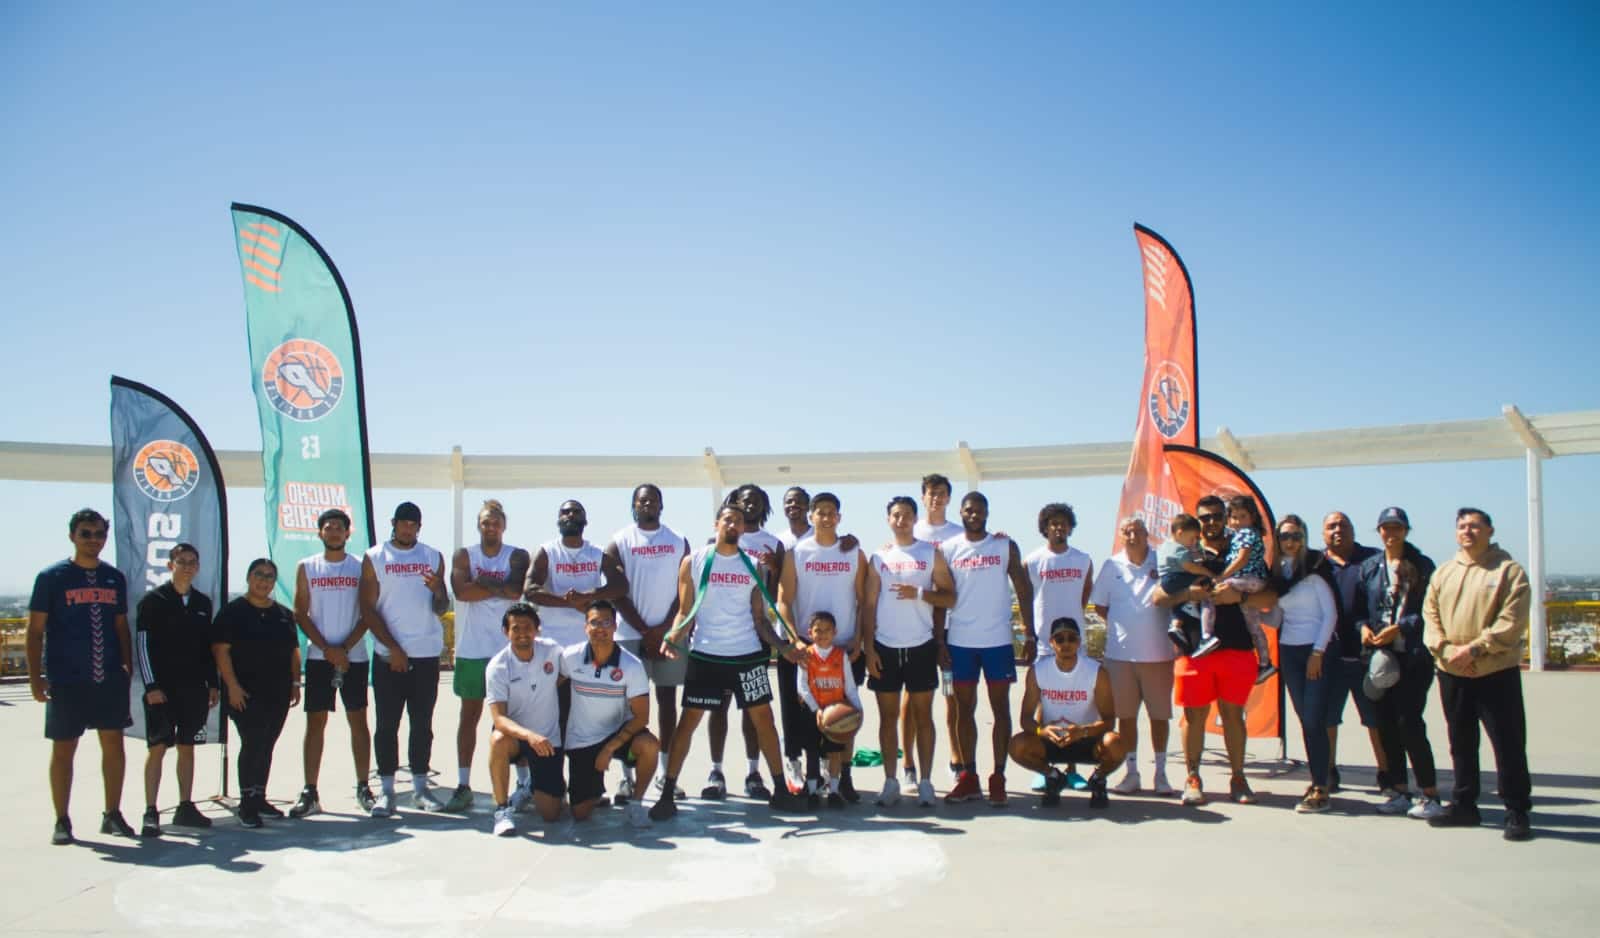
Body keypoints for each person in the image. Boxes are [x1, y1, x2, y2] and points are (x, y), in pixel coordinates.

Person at [648, 504, 810, 820]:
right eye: (728, 519)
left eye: (738, 520)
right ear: (717, 523)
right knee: (688, 722)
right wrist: (672, 637)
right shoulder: (693, 561)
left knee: (764, 721)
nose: (734, 524)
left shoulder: (752, 565)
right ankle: (667, 793)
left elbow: (761, 619)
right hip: (706, 654)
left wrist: (784, 647)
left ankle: (779, 789)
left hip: (747, 655)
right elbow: (685, 611)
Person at [1153, 494, 1274, 806]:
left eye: (1216, 516)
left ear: (1226, 517)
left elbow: (1270, 598)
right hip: (1195, 651)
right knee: (1193, 717)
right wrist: (1187, 593)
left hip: (1237, 648)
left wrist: (1240, 599)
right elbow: (1157, 598)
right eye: (1204, 517)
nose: (1211, 522)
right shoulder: (1187, 553)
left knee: (1234, 716)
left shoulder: (1244, 550)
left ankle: (1238, 777)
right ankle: (1193, 777)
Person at [1422, 508, 1533, 841]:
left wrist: (1474, 649)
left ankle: (1516, 809)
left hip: (1494, 671)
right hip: (1452, 671)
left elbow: (1511, 621)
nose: (1467, 531)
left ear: (1489, 530)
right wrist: (1445, 650)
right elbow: (1431, 616)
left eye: (1474, 526)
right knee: (1461, 741)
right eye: (1461, 526)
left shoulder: (1508, 571)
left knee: (1508, 741)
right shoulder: (1444, 573)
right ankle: (1465, 804)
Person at [29, 509, 137, 844]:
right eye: (86, 533)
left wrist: (127, 666)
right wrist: (36, 678)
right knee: (64, 749)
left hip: (108, 678)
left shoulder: (113, 578)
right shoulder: (51, 577)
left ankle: (112, 814)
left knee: (114, 745)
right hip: (66, 678)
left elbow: (121, 627)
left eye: (99, 534)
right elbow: (35, 631)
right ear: (72, 536)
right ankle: (62, 819)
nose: (93, 540)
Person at [940, 491, 1034, 806]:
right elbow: (941, 595)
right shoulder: (949, 548)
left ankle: (998, 776)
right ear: (962, 512)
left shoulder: (1005, 545)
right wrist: (940, 640)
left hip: (997, 641)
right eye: (969, 510)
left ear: (987, 512)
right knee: (963, 711)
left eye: (980, 510)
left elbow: (1023, 588)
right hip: (961, 641)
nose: (974, 514)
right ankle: (968, 777)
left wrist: (1030, 633)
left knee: (1000, 709)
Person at [862, 495, 956, 807]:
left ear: (915, 519)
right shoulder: (879, 557)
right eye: (895, 515)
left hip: (921, 646)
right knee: (887, 718)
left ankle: (926, 782)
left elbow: (949, 597)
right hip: (886, 647)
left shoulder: (930, 554)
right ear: (888, 520)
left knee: (923, 716)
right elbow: (870, 604)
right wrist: (868, 647)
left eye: (906, 515)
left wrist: (918, 593)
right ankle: (891, 781)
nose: (901, 520)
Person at [360, 501, 451, 817]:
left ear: (419, 527)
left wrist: (439, 589)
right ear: (394, 523)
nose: (408, 528)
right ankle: (387, 792)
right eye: (403, 523)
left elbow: (440, 607)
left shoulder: (432, 556)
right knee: (386, 724)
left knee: (422, 724)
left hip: (425, 654)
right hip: (389, 656)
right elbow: (368, 609)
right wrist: (393, 648)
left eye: (413, 524)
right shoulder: (375, 557)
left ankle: (421, 788)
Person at [776, 492, 868, 801]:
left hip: (844, 649)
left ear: (839, 518)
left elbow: (864, 600)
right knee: (813, 720)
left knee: (846, 717)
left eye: (832, 512)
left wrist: (860, 639)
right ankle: (815, 780)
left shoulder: (854, 552)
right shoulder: (797, 553)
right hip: (809, 652)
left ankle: (844, 779)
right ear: (811, 516)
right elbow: (784, 601)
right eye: (821, 512)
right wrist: (793, 640)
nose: (826, 517)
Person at [1354, 507, 1444, 820]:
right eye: (1385, 528)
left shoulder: (1422, 565)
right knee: (1386, 724)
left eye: (1397, 528)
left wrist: (1402, 627)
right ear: (1378, 531)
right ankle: (1398, 790)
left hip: (1412, 658)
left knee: (1410, 724)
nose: (1391, 534)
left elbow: (1431, 612)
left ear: (1406, 531)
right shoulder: (1370, 567)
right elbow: (1357, 611)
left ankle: (1430, 793)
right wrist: (1363, 629)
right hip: (1379, 659)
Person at [606, 483, 690, 802]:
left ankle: (666, 775)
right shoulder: (619, 541)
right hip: (629, 635)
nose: (648, 504)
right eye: (642, 500)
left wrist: (665, 628)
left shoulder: (678, 541)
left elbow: (685, 591)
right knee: (627, 707)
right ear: (634, 505)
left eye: (653, 500)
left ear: (661, 505)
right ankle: (626, 778)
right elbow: (616, 592)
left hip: (670, 635)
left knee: (667, 702)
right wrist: (645, 630)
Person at [290, 508, 375, 818]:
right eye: (329, 528)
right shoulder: (307, 566)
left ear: (347, 533)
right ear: (320, 533)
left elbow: (368, 611)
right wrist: (328, 649)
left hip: (354, 656)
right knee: (315, 725)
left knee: (358, 721)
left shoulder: (360, 566)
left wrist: (345, 648)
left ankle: (364, 787)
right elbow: (300, 612)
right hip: (318, 657)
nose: (335, 532)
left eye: (340, 527)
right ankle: (310, 791)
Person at [446, 499, 530, 814]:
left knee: (513, 719)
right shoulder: (464, 555)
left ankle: (524, 784)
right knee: (469, 717)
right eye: (484, 522)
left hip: (507, 652)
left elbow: (514, 591)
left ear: (503, 526)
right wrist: (498, 585)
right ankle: (464, 784)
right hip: (471, 651)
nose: (490, 527)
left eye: (495, 522)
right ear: (478, 526)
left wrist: (481, 582)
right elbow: (462, 592)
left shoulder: (517, 555)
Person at [703, 483, 782, 800]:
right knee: (717, 706)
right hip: (719, 638)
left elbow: (776, 596)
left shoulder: (772, 543)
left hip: (755, 636)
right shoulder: (715, 541)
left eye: (756, 502)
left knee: (754, 709)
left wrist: (774, 571)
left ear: (764, 508)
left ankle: (753, 772)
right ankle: (716, 770)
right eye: (744, 501)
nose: (750, 506)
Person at [133, 542, 218, 837]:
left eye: (192, 562)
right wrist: (151, 686)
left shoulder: (202, 603)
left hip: (194, 689)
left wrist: (213, 683)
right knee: (157, 748)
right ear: (170, 565)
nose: (187, 566)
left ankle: (185, 806)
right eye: (181, 561)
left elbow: (208, 647)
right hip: (162, 690)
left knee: (188, 746)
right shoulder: (152, 601)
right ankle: (150, 811)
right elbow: (142, 646)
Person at [1089, 516, 1177, 797]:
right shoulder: (1111, 565)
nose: (1132, 536)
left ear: (1146, 534)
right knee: (1126, 718)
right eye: (1127, 532)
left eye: (1137, 531)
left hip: (1159, 655)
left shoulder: (1161, 562)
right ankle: (1131, 773)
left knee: (1159, 717)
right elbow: (1100, 607)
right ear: (1121, 535)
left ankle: (1161, 774)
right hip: (1120, 657)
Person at [212, 558, 302, 828]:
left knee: (267, 744)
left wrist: (296, 684)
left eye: (269, 576)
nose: (264, 580)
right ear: (249, 577)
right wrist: (233, 687)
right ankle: (247, 803)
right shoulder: (232, 612)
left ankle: (260, 797)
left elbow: (293, 652)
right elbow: (220, 651)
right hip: (245, 693)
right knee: (251, 743)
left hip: (277, 692)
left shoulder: (284, 614)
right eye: (259, 575)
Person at [1008, 617, 1124, 809]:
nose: (1066, 644)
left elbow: (1110, 721)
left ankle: (1098, 779)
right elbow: (1025, 718)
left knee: (1116, 743)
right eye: (1060, 639)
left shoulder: (1096, 672)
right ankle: (1053, 777)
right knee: (1016, 746)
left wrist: (1082, 731)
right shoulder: (1038, 671)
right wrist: (1041, 731)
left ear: (1079, 642)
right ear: (1051, 643)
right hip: (1052, 740)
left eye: (1071, 638)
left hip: (1086, 739)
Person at [559, 601, 657, 828]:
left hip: (617, 735)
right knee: (580, 814)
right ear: (585, 627)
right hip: (581, 739)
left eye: (606, 622)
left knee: (649, 745)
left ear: (615, 627)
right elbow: (551, 688)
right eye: (594, 622)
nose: (600, 628)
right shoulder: (570, 657)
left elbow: (642, 717)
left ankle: (636, 803)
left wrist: (608, 749)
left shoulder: (632, 666)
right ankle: (594, 791)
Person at [1267, 515, 1339, 813]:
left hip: (1315, 651)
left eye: (1296, 535)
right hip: (1289, 651)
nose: (1291, 542)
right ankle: (1317, 779)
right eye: (1285, 536)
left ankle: (1322, 786)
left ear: (1304, 537)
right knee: (1305, 720)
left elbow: (1330, 615)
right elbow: (1277, 617)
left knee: (1314, 720)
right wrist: (1246, 610)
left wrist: (1318, 653)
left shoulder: (1315, 568)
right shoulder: (1278, 572)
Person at [1023, 502, 1094, 792]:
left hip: (1073, 643)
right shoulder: (1032, 560)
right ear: (1045, 528)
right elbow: (1027, 598)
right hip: (1044, 643)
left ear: (1070, 527)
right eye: (1053, 523)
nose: (1058, 527)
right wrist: (1030, 636)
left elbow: (1084, 595)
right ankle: (1046, 767)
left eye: (1063, 523)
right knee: (1045, 705)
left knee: (1074, 704)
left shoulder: (1083, 560)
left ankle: (1073, 769)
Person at [1318, 511, 1387, 797]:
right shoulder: (1316, 564)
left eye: (1343, 525)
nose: (1338, 530)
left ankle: (1387, 772)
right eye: (1331, 526)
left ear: (1354, 530)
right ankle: (1329, 771)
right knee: (1328, 719)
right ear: (1323, 534)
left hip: (1366, 656)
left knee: (1377, 719)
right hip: (1329, 656)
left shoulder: (1373, 560)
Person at [485, 603, 565, 836]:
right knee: (498, 739)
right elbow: (499, 719)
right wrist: (529, 735)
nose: (522, 633)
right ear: (505, 632)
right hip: (518, 739)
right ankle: (502, 811)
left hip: (549, 741)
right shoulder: (497, 667)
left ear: (537, 630)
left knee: (551, 815)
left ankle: (531, 786)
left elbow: (565, 675)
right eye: (515, 628)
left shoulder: (552, 651)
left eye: (528, 627)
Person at [910, 473, 963, 792]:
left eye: (942, 493)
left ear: (948, 498)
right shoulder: (911, 530)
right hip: (914, 627)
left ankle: (956, 760)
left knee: (950, 697)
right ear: (923, 497)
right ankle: (908, 766)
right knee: (912, 701)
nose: (936, 498)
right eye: (931, 493)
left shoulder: (957, 534)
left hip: (951, 628)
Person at [524, 500, 628, 650]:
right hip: (552, 640)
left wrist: (587, 597)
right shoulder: (546, 552)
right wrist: (569, 602)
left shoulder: (597, 552)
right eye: (565, 512)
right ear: (558, 521)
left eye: (576, 512)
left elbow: (621, 586)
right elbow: (530, 590)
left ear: (585, 521)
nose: (570, 515)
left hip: (590, 639)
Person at [796, 612, 863, 807]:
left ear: (835, 632)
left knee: (835, 752)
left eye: (827, 630)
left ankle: (834, 790)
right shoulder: (806, 655)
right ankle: (812, 791)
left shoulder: (841, 656)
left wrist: (857, 709)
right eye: (818, 630)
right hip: (813, 711)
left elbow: (849, 686)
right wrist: (816, 709)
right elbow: (802, 686)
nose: (822, 634)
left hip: (836, 712)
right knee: (812, 752)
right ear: (810, 632)